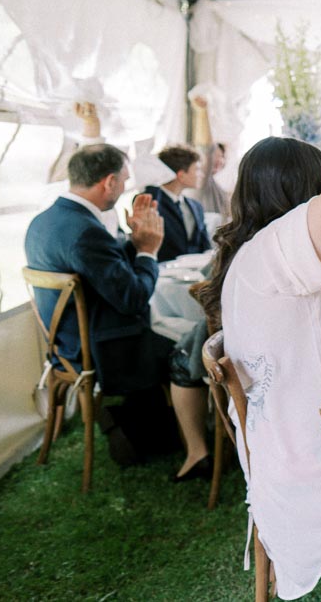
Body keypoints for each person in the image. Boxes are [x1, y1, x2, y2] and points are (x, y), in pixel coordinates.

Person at [192, 40, 321, 599]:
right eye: (319, 188)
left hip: (311, 454)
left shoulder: (274, 261)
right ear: (303, 197)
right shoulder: (270, 259)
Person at [25, 144, 210, 478]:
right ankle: (197, 446)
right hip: (98, 347)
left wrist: (133, 242)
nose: (126, 186)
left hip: (64, 343)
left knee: (172, 329)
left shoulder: (47, 220)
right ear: (108, 182)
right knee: (188, 345)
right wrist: (148, 251)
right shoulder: (85, 232)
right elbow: (134, 298)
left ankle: (163, 432)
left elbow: (100, 268)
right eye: (124, 180)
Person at [145, 144, 213, 262]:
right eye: (197, 169)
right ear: (181, 175)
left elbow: (205, 245)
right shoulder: (153, 202)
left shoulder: (196, 206)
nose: (201, 175)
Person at [190, 95, 232, 221]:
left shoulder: (216, 186)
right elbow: (204, 149)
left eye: (222, 157)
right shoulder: (201, 182)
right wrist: (202, 113)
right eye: (215, 156)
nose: (219, 161)